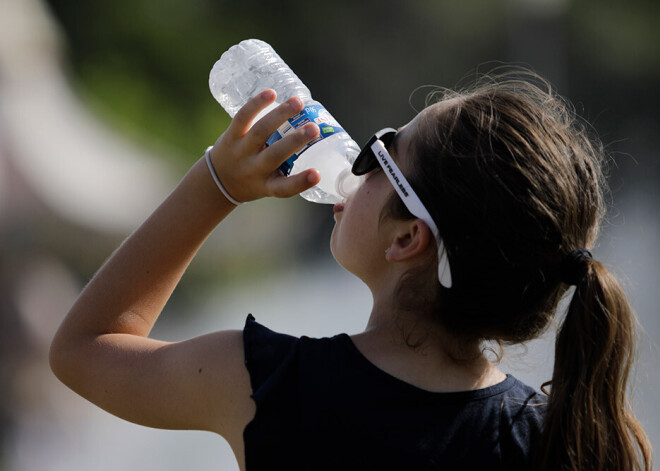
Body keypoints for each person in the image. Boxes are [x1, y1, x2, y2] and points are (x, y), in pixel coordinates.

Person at [50, 70, 652, 470]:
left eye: (380, 151)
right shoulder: (563, 443)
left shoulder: (265, 385)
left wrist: (216, 184)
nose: (355, 164)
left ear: (408, 236)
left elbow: (82, 348)